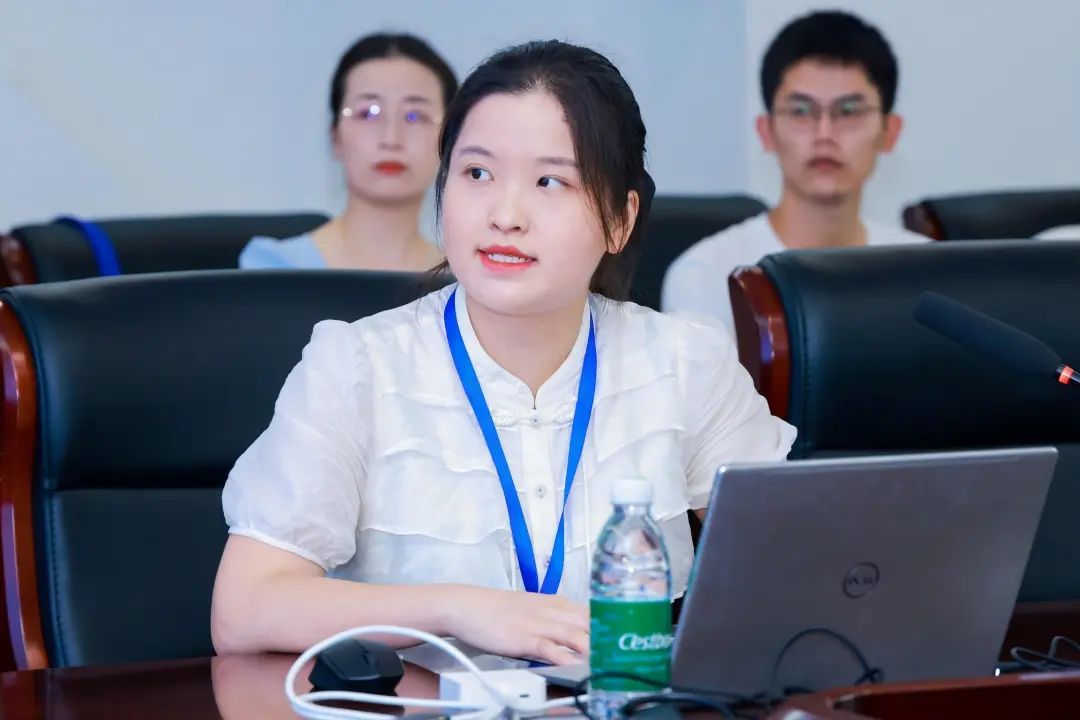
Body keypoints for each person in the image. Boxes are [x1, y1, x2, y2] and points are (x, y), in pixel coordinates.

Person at [213, 39, 795, 666]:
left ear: (621, 219)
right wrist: (455, 610)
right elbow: (245, 607)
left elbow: (796, 568)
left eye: (550, 181)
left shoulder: (683, 363)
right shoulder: (356, 368)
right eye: (477, 174)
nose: (505, 215)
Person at [663, 10, 925, 334]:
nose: (825, 134)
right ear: (766, 131)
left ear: (890, 131)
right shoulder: (708, 276)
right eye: (801, 111)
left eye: (849, 111)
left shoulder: (924, 270)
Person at [240, 33, 456, 270]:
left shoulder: (464, 278)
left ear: (448, 141)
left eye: (414, 116)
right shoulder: (273, 268)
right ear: (335, 137)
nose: (391, 139)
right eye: (368, 114)